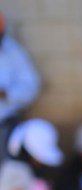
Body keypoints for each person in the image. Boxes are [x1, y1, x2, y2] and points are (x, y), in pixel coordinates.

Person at [0, 11, 41, 163]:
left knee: (6, 177)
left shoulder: (12, 52)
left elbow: (31, 87)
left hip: (4, 128)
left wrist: (6, 94)